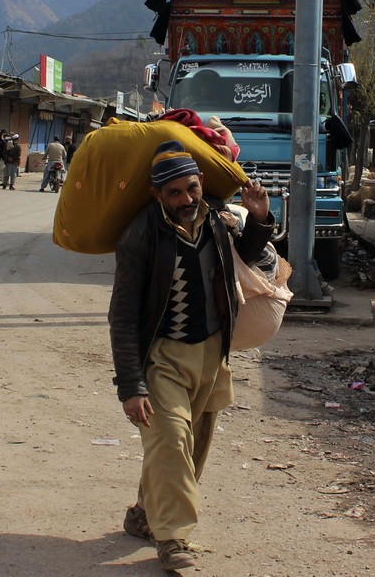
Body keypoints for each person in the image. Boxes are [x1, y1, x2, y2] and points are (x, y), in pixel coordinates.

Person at [108, 140, 275, 571]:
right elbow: (123, 316)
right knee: (169, 439)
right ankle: (174, 536)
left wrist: (258, 219)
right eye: (176, 193)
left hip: (212, 353)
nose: (187, 199)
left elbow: (245, 259)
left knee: (193, 446)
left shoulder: (216, 220)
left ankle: (146, 514)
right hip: (163, 358)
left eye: (192, 188)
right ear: (157, 195)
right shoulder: (140, 237)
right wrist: (131, 385)